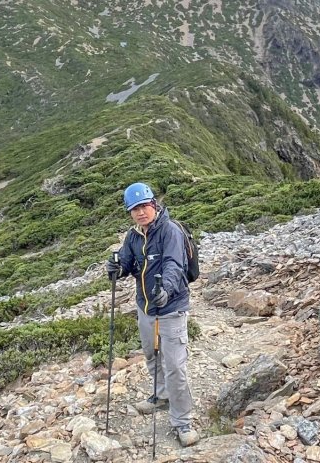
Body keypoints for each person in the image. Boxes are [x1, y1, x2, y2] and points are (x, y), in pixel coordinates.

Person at [106, 182, 199, 447]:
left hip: (171, 309)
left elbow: (173, 264)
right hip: (145, 308)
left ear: (154, 205)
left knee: (176, 368)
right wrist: (115, 268)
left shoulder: (170, 231)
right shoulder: (133, 236)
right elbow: (125, 263)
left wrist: (167, 290)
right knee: (151, 355)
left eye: (144, 206)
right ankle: (160, 397)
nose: (140, 212)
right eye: (134, 209)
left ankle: (183, 423)